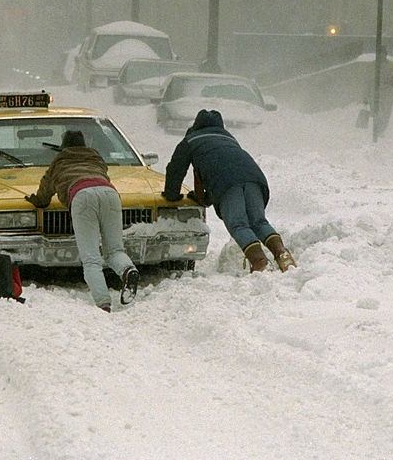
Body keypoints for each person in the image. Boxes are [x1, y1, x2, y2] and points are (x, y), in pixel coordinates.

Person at [161, 109, 296, 273]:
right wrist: (203, 196)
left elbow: (176, 169)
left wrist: (171, 195)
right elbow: (224, 165)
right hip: (255, 179)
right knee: (259, 222)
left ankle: (261, 262)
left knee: (238, 224)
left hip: (227, 184)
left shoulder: (191, 140)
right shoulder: (228, 137)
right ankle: (283, 255)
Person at [25, 130, 139, 311]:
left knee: (91, 258)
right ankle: (127, 270)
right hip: (110, 193)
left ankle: (103, 303)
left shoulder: (60, 161)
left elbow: (45, 191)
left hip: (82, 196)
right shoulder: (96, 158)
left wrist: (37, 201)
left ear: (64, 146)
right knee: (115, 250)